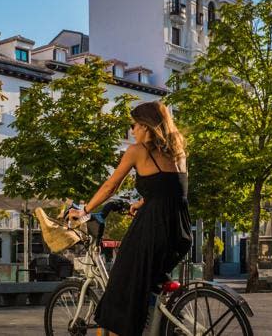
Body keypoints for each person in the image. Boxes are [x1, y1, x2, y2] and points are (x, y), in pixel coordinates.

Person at [67, 101, 191, 336]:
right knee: (146, 287)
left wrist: (84, 210)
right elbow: (173, 189)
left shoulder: (138, 151)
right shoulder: (179, 152)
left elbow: (110, 186)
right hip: (180, 231)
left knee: (121, 288)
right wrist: (142, 202)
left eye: (133, 125)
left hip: (152, 229)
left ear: (146, 126)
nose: (131, 130)